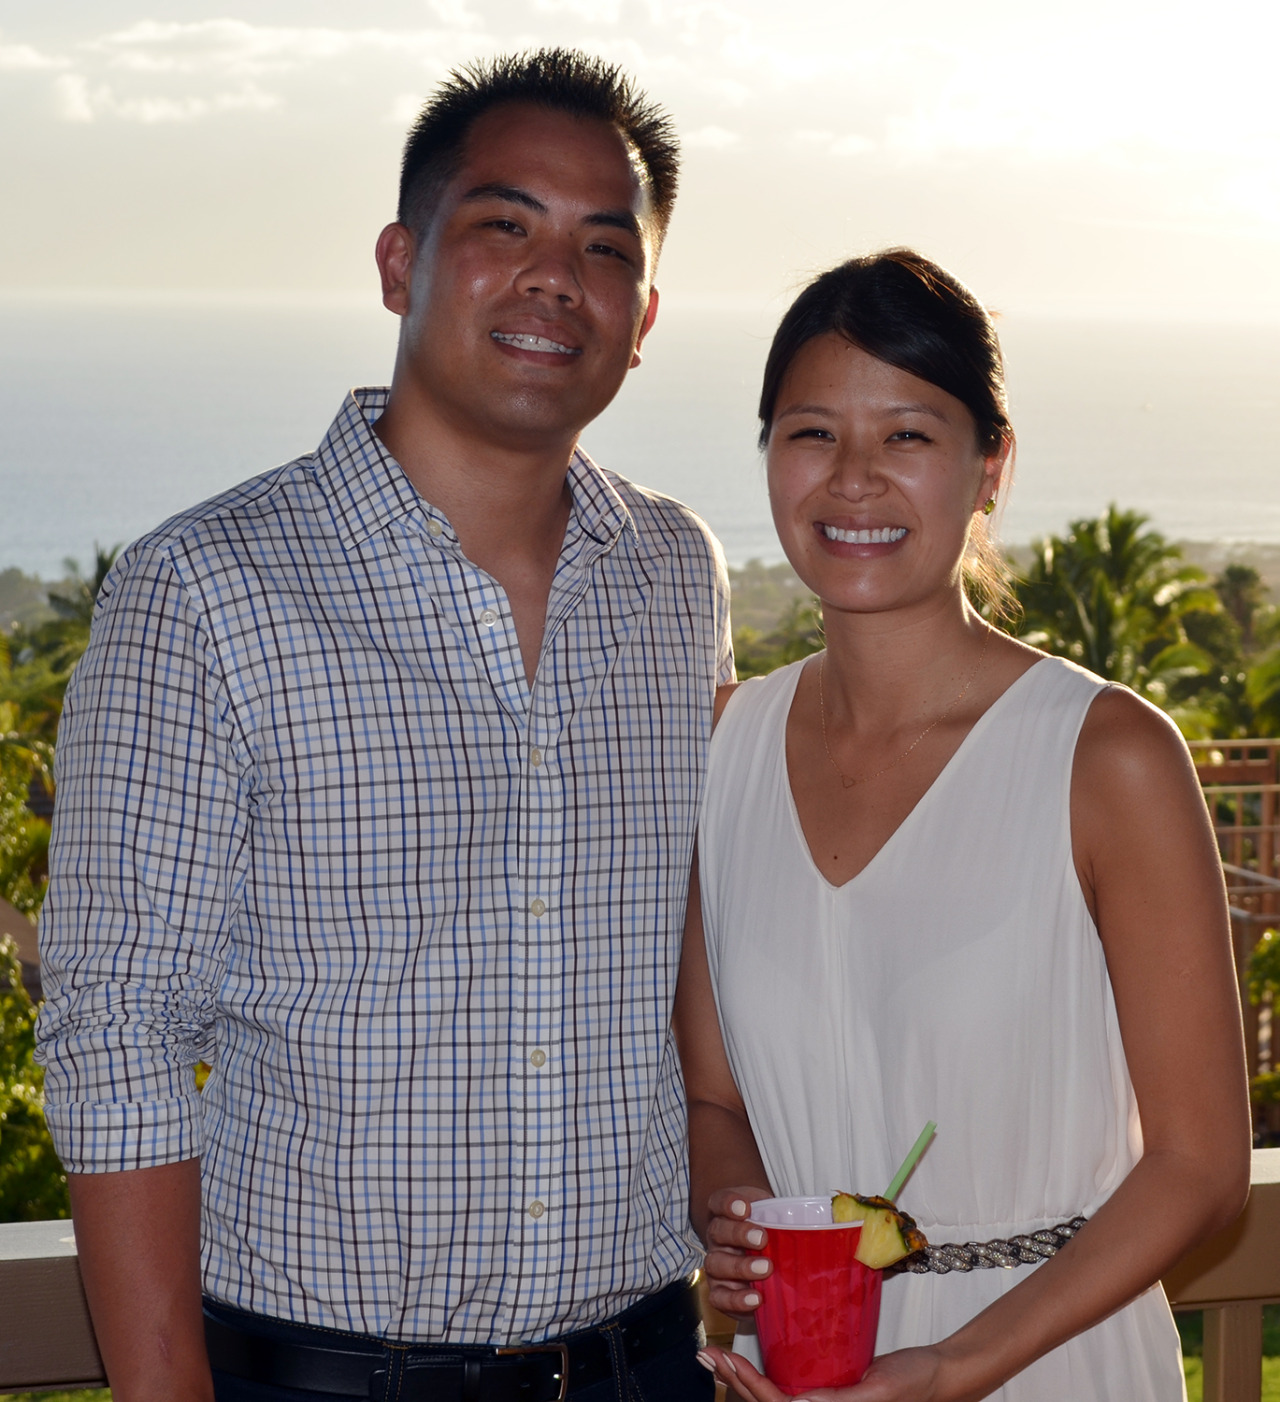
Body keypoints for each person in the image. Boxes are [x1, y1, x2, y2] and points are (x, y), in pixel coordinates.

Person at [36, 49, 730, 1402]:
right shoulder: (207, 588)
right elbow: (117, 1031)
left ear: (643, 317)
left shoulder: (673, 575)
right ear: (399, 262)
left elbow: (703, 958)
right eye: (504, 225)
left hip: (644, 1364)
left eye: (604, 248)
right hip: (325, 1379)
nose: (555, 278)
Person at [674, 249, 1250, 1401]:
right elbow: (715, 1098)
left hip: (1049, 1360)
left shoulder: (1104, 754)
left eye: (906, 435)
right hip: (810, 1367)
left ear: (990, 466)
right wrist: (737, 1219)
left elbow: (1200, 1166)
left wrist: (950, 1365)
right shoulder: (723, 747)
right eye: (811, 433)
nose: (851, 479)